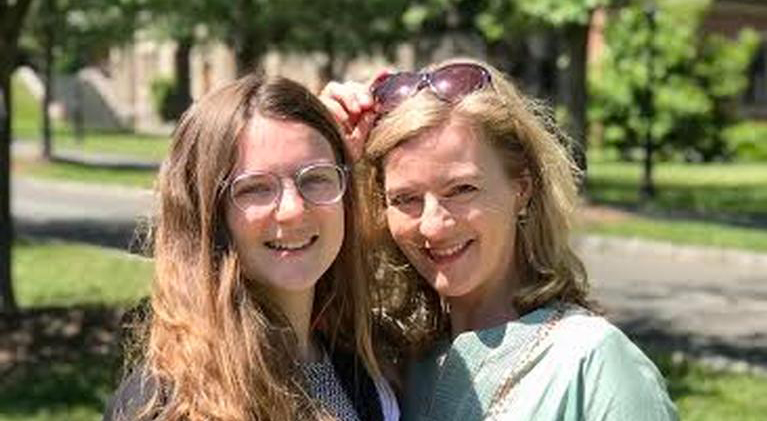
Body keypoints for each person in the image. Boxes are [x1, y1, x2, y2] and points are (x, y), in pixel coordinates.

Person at [321, 59, 678, 420]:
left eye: (461, 189)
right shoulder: (389, 366)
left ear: (521, 188)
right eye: (405, 199)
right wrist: (321, 151)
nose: (432, 226)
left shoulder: (591, 363)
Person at [103, 74, 398, 421]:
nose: (293, 209)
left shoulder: (363, 368)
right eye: (256, 188)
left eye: (316, 177)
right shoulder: (166, 405)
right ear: (208, 216)